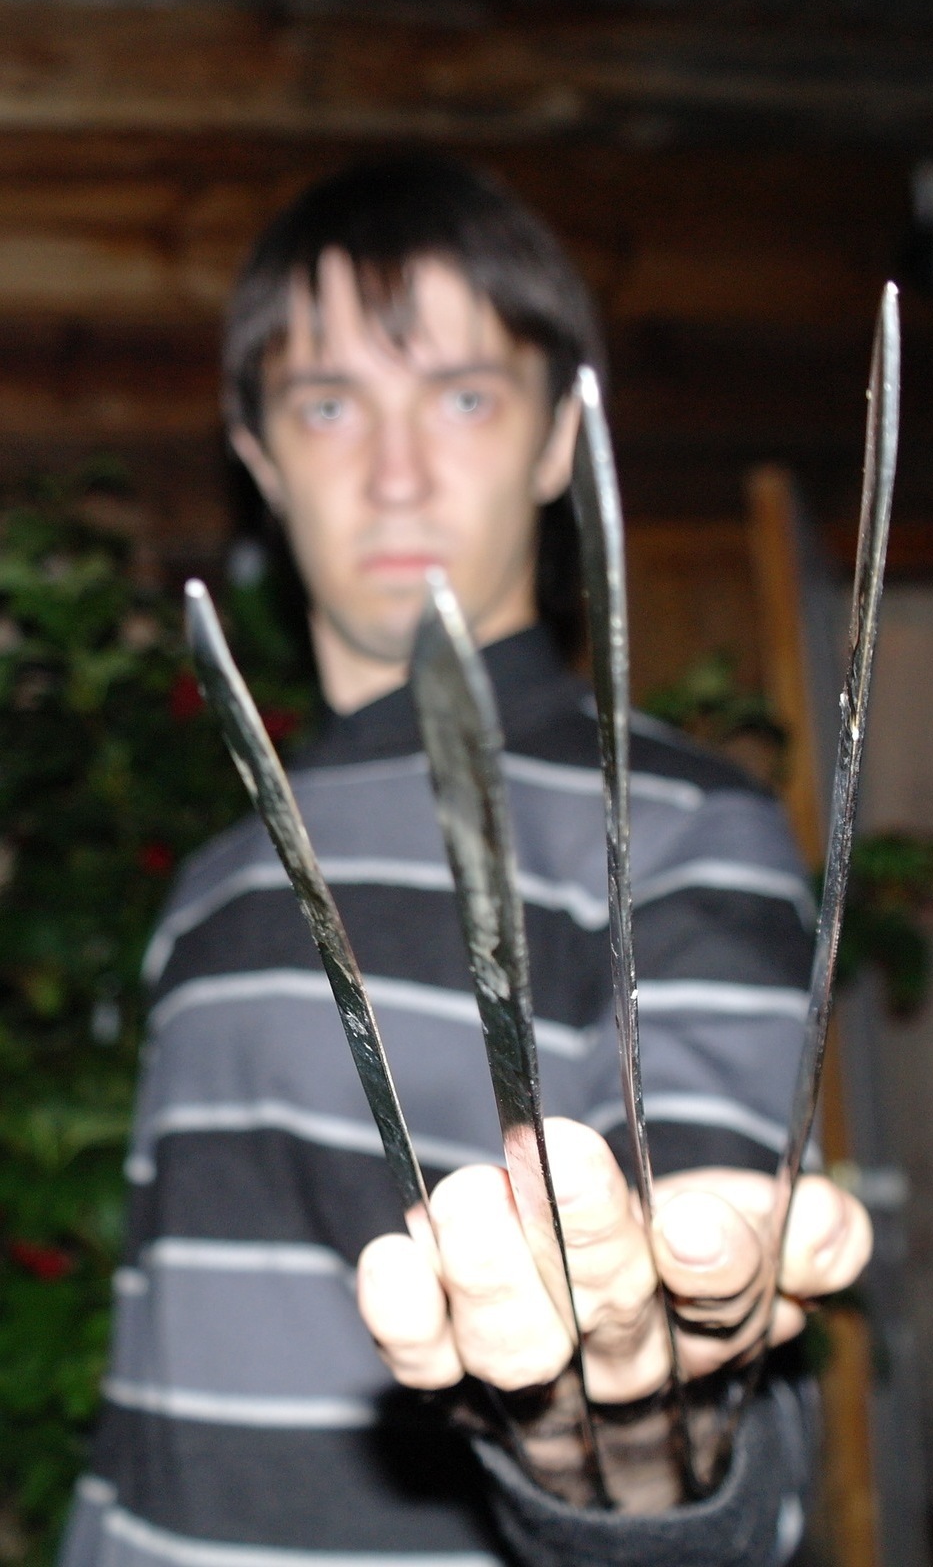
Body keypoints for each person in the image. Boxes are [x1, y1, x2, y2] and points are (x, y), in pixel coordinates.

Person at [59, 156, 871, 1567]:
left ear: (558, 441)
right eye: (329, 405)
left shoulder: (677, 826)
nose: (395, 474)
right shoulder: (221, 868)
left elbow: (714, 1347)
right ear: (259, 456)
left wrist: (623, 1438)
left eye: (464, 398)